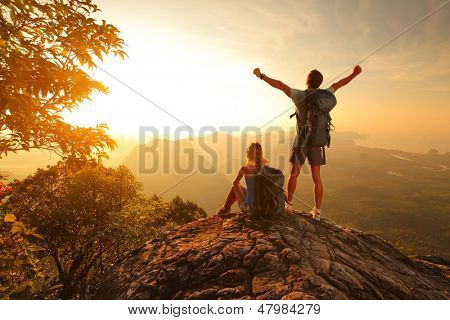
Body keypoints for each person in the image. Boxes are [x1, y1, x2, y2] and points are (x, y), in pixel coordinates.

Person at [253, 65, 362, 220]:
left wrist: (261, 76)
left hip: (302, 141)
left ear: (307, 81)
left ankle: (289, 204)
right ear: (320, 82)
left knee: (294, 174)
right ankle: (317, 211)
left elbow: (280, 85)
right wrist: (354, 74)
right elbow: (340, 83)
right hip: (317, 141)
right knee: (317, 178)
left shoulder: (299, 95)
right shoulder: (326, 96)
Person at [216, 142, 268, 216]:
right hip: (263, 208)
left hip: (250, 209)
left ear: (249, 154)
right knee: (243, 188)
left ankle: (225, 209)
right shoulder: (266, 169)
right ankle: (226, 208)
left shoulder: (245, 169)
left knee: (235, 185)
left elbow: (235, 183)